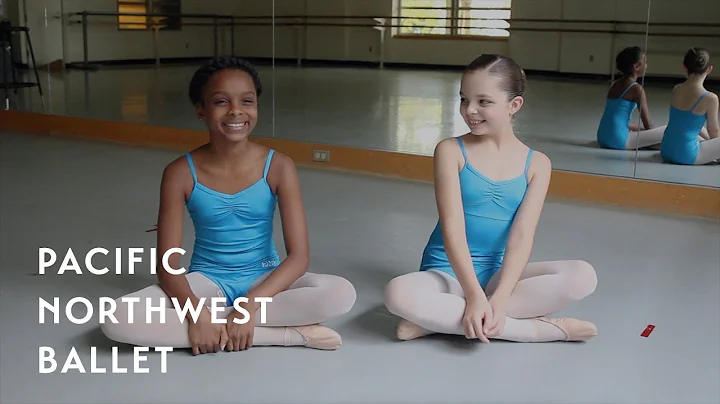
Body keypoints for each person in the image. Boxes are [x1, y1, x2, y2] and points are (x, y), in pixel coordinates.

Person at [101, 57, 356, 354]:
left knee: (340, 294)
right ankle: (283, 335)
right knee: (116, 318)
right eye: (221, 101)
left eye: (247, 101)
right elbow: (167, 267)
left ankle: (223, 326)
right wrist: (197, 312)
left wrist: (249, 305)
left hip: (265, 280)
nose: (236, 111)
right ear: (201, 110)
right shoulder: (179, 173)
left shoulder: (279, 166)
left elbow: (298, 258)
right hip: (208, 283)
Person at [384, 54, 598, 344]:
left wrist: (500, 296)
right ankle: (534, 330)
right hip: (446, 272)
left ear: (514, 105)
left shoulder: (538, 164)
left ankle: (441, 321)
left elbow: (522, 236)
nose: (470, 110)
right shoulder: (451, 150)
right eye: (463, 99)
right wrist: (473, 295)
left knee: (583, 276)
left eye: (483, 102)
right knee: (397, 293)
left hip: (499, 275)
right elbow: (452, 227)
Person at [597, 46, 667, 150]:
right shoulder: (637, 89)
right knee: (665, 132)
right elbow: (648, 124)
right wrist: (656, 135)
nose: (646, 65)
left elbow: (615, 117)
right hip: (619, 140)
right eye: (645, 62)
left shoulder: (615, 84)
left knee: (642, 132)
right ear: (636, 67)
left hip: (602, 137)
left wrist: (639, 129)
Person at [660, 48, 720, 165]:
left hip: (665, 150)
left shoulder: (676, 89)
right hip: (687, 155)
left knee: (692, 128)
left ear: (684, 67)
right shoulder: (710, 98)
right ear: (709, 69)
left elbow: (682, 122)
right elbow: (714, 131)